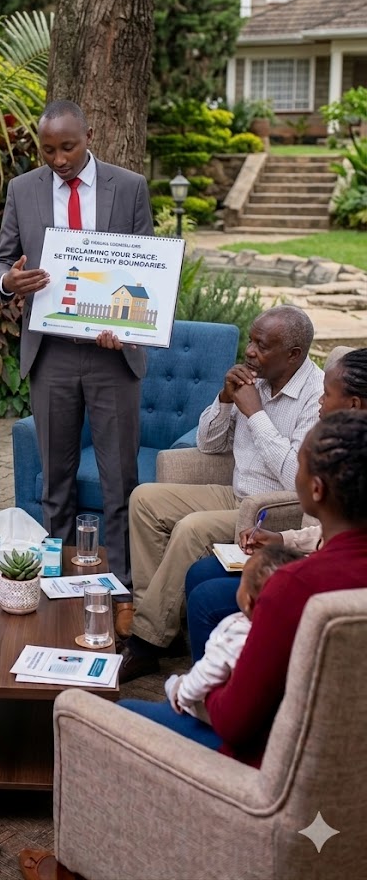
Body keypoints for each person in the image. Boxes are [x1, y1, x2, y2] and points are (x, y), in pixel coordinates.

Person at [116, 408, 367, 766]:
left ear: (316, 488)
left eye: (300, 464)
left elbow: (235, 725)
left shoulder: (292, 588)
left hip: (267, 763)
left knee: (116, 716)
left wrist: (209, 686)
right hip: (342, 762)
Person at [0, 99, 153, 614]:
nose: (57, 159)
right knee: (54, 483)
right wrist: (8, 281)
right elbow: (0, 260)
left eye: (67, 147)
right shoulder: (23, 189)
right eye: (47, 150)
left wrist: (125, 326)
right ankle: (55, 587)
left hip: (112, 357)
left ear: (90, 133)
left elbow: (146, 266)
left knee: (119, 480)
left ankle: (121, 588)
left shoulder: (128, 187)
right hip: (52, 355)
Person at [120, 305, 323, 682]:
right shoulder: (256, 379)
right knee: (145, 498)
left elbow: (299, 478)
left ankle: (146, 643)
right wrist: (225, 400)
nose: (249, 352)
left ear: (293, 354)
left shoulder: (316, 397)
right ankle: (164, 626)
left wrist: (256, 415)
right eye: (251, 340)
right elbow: (208, 445)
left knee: (191, 528)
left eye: (262, 345)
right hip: (234, 492)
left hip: (274, 509)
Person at [185, 346, 367, 660]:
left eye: (327, 394)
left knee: (206, 598)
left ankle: (219, 682)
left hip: (329, 581)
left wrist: (256, 415)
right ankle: (213, 667)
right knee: (201, 572)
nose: (321, 401)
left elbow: (342, 548)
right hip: (318, 559)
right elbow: (328, 535)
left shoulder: (347, 459)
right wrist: (282, 539)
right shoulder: (339, 440)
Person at [164, 545, 304, 719]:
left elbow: (204, 678)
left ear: (247, 601)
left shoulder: (234, 631)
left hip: (222, 715)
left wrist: (177, 690)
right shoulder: (297, 632)